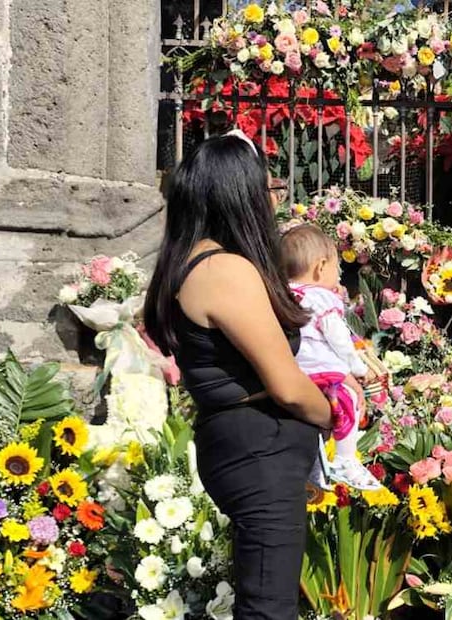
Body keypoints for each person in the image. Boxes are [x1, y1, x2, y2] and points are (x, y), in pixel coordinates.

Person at [143, 130, 360, 619]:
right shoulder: (224, 269)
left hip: (247, 444)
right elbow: (286, 384)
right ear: (239, 194)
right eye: (267, 189)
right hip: (259, 448)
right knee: (268, 608)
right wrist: (336, 411)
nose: (272, 200)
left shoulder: (190, 261)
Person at [281, 223, 383, 491]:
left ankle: (314, 469)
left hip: (294, 371)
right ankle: (345, 459)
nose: (338, 276)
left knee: (309, 422)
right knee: (350, 402)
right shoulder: (321, 298)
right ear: (320, 267)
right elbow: (338, 338)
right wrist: (357, 368)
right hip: (323, 369)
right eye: (336, 268)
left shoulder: (285, 295)